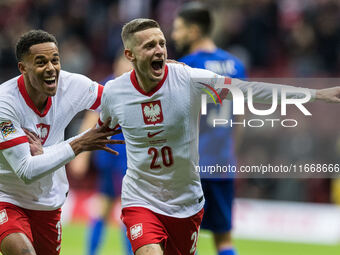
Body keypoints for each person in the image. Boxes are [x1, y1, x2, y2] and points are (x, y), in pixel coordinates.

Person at [99, 18, 340, 255]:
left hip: (185, 202)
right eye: (149, 46)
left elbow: (249, 91)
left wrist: (315, 94)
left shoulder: (188, 80)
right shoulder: (114, 92)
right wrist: (77, 148)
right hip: (141, 199)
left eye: (161, 43)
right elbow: (101, 127)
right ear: (130, 55)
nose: (160, 50)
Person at [0, 30, 124, 255]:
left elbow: (118, 104)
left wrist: (163, 77)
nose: (50, 68)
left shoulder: (72, 85)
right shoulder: (5, 104)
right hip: (7, 197)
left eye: (55, 60)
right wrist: (80, 143)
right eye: (40, 62)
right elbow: (26, 169)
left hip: (48, 201)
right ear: (23, 68)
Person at [171, 3, 244, 255]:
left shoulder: (187, 66)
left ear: (194, 31)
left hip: (192, 163)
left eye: (178, 29)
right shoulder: (236, 65)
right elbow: (239, 119)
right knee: (223, 237)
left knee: (183, 236)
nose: (174, 35)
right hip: (223, 163)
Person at [70, 53, 133, 255]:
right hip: (114, 158)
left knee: (114, 208)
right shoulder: (108, 88)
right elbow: (91, 119)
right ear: (116, 64)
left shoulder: (136, 88)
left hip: (127, 158)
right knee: (120, 208)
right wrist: (80, 155)